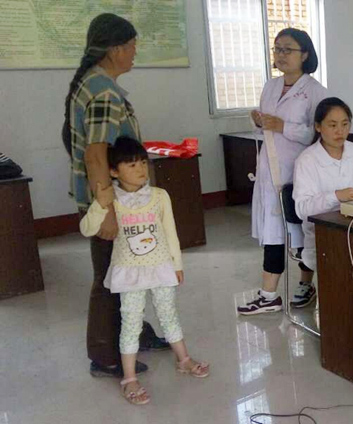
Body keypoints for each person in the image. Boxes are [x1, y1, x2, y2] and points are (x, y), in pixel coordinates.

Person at [62, 13, 168, 379]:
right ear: (115, 49)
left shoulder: (94, 84)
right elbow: (96, 155)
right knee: (110, 277)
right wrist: (106, 210)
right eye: (133, 46)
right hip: (110, 203)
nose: (135, 52)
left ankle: (136, 332)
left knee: (128, 271)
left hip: (115, 199)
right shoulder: (103, 91)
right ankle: (105, 354)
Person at [79, 137, 210, 405]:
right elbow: (87, 229)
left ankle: (183, 359)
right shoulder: (111, 199)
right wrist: (100, 203)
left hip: (161, 268)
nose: (140, 169)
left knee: (168, 314)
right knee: (131, 323)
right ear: (114, 171)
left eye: (142, 163)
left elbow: (170, 233)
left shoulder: (159, 196)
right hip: (130, 272)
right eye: (131, 165)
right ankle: (129, 378)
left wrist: (177, 265)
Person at [237, 28, 328, 316]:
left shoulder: (316, 92)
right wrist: (258, 120)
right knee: (273, 232)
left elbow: (319, 132)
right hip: (270, 169)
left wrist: (283, 126)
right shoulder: (271, 86)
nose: (281, 55)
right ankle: (268, 295)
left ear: (305, 54)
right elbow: (266, 127)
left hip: (299, 171)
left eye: (288, 49)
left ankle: (305, 285)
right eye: (277, 49)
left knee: (302, 232)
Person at [293, 97, 353, 271]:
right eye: (332, 125)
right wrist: (336, 196)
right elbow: (303, 209)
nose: (340, 131)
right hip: (324, 236)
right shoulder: (306, 160)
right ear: (318, 126)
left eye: (345, 124)